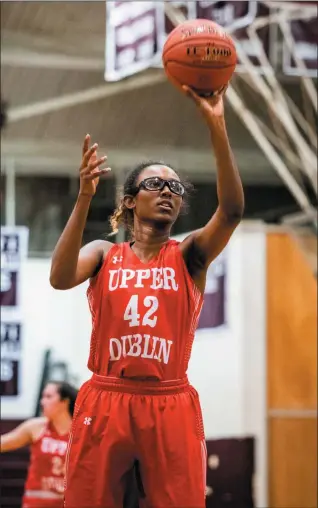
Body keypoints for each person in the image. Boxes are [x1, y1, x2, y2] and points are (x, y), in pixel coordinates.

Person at [49, 86, 244, 508]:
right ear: (130, 201)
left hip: (168, 401)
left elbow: (230, 212)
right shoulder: (104, 254)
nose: (168, 191)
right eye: (156, 183)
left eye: (176, 188)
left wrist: (216, 125)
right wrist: (84, 197)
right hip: (106, 397)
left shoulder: (190, 256)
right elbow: (60, 278)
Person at [0, 381, 78, 508]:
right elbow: (3, 443)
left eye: (48, 396)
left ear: (65, 401)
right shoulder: (35, 427)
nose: (42, 402)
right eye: (43, 397)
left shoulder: (81, 432)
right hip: (36, 502)